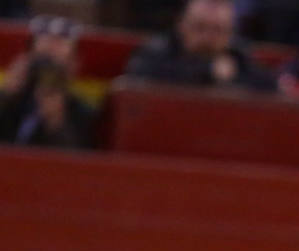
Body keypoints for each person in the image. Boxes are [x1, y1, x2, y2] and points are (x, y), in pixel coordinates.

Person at [125, 0, 276, 91]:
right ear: (181, 25)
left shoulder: (240, 60)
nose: (208, 37)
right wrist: (208, 72)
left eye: (218, 30)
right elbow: (141, 79)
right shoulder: (156, 54)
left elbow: (269, 89)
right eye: (200, 27)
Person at [0, 16, 95, 148]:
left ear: (73, 66)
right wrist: (6, 96)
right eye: (42, 61)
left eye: (55, 67)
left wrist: (55, 122)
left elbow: (80, 162)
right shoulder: (11, 101)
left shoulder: (82, 115)